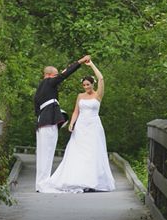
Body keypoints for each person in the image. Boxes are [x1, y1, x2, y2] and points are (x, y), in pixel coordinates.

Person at [39, 56, 115, 193]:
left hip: (93, 126)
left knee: (93, 152)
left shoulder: (98, 95)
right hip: (80, 126)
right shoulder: (80, 96)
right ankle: (79, 179)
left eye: (88, 84)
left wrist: (91, 65)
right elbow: (76, 111)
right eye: (84, 85)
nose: (86, 87)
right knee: (78, 153)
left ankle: (93, 181)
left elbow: (102, 78)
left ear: (93, 84)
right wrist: (72, 123)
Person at [33, 56, 88, 191]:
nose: (57, 78)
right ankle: (44, 183)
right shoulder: (49, 82)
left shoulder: (41, 88)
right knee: (47, 153)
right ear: (49, 75)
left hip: (41, 121)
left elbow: (36, 109)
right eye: (55, 75)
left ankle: (40, 183)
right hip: (49, 121)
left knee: (42, 154)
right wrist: (80, 61)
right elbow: (65, 73)